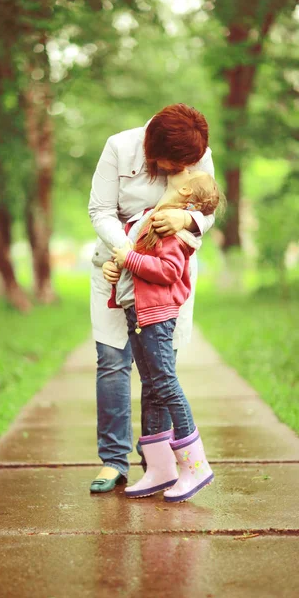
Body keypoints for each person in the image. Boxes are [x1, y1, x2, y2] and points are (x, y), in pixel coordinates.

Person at [88, 104, 215, 493]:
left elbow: (208, 206)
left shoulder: (198, 152)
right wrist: (124, 256)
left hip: (162, 284)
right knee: (112, 360)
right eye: (174, 163)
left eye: (187, 165)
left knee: (159, 371)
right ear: (151, 147)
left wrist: (186, 219)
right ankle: (113, 460)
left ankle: (157, 463)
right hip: (119, 265)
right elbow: (101, 210)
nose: (180, 171)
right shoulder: (118, 147)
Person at [111, 170, 223, 502]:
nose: (180, 170)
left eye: (188, 172)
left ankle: (196, 465)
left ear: (186, 189)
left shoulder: (172, 229)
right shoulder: (154, 217)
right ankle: (161, 469)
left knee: (166, 385)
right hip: (139, 313)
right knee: (154, 387)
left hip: (157, 316)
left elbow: (171, 271)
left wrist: (129, 259)